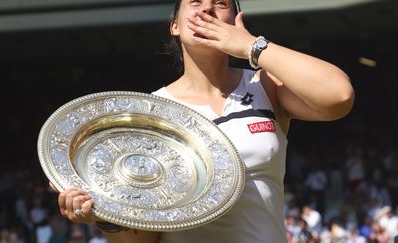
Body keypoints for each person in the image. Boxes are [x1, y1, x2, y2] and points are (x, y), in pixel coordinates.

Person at [52, 0, 354, 242]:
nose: (207, 8)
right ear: (174, 25)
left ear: (236, 23)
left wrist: (253, 47)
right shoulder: (151, 112)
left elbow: (338, 96)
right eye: (195, 2)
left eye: (221, 3)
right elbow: (142, 238)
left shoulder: (264, 85)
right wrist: (104, 215)